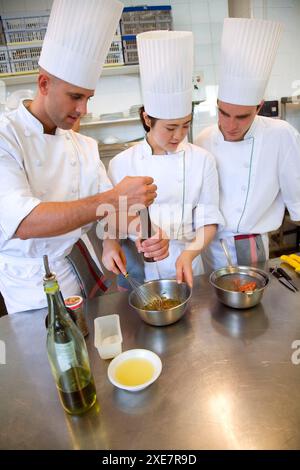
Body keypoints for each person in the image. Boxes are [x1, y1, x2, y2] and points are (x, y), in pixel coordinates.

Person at [0, 0, 168, 314]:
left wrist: (143, 230)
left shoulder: (83, 145)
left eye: (88, 98)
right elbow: (24, 221)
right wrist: (117, 195)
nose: (83, 110)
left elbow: (107, 210)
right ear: (44, 84)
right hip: (32, 283)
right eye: (75, 96)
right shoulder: (6, 137)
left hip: (80, 263)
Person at [106, 31, 224, 288]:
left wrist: (190, 253)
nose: (179, 135)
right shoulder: (122, 163)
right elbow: (111, 219)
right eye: (170, 128)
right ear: (148, 119)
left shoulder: (202, 160)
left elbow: (208, 219)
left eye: (185, 125)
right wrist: (111, 243)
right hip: (136, 268)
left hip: (187, 262)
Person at [195, 18, 300, 270]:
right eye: (224, 113)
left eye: (242, 116)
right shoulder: (203, 139)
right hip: (208, 246)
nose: (230, 125)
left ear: (258, 107)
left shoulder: (280, 135)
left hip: (253, 247)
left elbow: (297, 197)